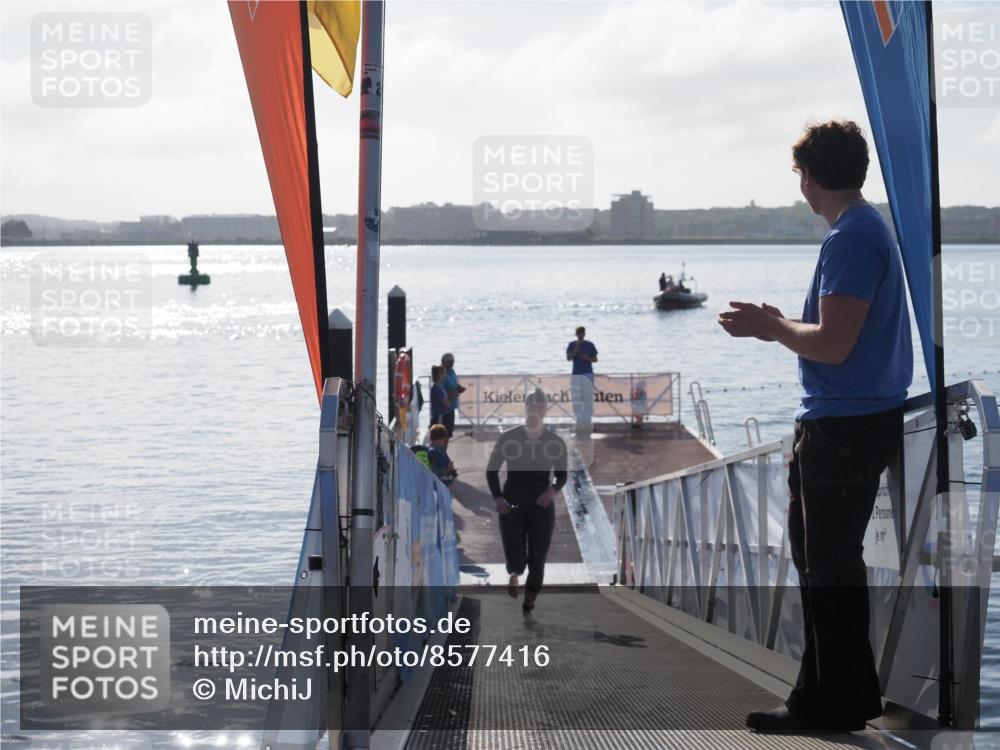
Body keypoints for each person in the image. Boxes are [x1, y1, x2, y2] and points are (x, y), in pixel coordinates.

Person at [718, 120, 912, 733]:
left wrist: (770, 328)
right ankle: (830, 695)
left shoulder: (851, 238)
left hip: (845, 427)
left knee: (828, 566)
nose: (799, 184)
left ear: (809, 177)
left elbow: (831, 345)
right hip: (852, 420)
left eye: (798, 173)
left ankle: (833, 701)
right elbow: (836, 336)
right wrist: (782, 323)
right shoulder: (863, 230)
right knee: (824, 563)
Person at [486, 388, 567, 613]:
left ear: (545, 410)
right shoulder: (510, 437)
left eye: (540, 407)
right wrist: (498, 498)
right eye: (532, 406)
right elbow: (492, 471)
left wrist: (553, 490)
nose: (535, 410)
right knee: (518, 560)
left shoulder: (555, 441)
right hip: (513, 504)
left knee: (538, 558)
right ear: (526, 408)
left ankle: (529, 600)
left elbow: (562, 475)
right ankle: (514, 573)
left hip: (541, 506)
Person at [566, 326, 598, 432]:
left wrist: (587, 358)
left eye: (582, 333)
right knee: (576, 399)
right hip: (576, 374)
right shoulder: (571, 344)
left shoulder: (590, 345)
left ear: (584, 334)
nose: (580, 335)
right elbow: (568, 358)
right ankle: (579, 420)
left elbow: (595, 359)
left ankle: (587, 420)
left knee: (588, 398)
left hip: (587, 374)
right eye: (578, 333)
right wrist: (576, 349)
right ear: (576, 334)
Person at [440, 353, 465, 438]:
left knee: (449, 433)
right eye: (450, 361)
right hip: (443, 408)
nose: (452, 363)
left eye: (453, 361)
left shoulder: (452, 371)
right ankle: (441, 450)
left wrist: (459, 388)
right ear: (444, 362)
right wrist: (452, 393)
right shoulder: (442, 374)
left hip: (451, 407)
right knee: (443, 433)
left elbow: (454, 384)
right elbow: (440, 390)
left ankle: (444, 450)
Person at [429, 365, 452, 434]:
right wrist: (450, 397)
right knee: (440, 435)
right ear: (439, 374)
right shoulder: (437, 388)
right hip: (440, 417)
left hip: (443, 416)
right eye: (444, 373)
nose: (445, 375)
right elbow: (446, 403)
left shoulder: (439, 387)